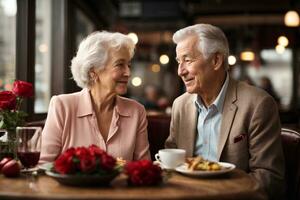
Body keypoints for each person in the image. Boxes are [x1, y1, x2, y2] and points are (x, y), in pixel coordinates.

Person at [165, 24, 284, 199]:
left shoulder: (258, 104)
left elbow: (269, 178)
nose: (180, 71)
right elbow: (170, 166)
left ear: (216, 61)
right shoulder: (180, 106)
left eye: (188, 60)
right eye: (178, 61)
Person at [40, 31, 150, 163]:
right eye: (120, 64)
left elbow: (144, 167)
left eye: (128, 65)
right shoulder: (62, 106)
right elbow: (43, 165)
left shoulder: (136, 111)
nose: (128, 73)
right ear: (93, 72)